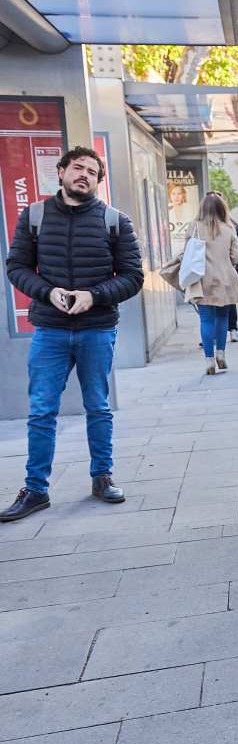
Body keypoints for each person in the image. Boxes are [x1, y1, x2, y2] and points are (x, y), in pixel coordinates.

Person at [1, 146, 144, 522]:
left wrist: (92, 296)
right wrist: (47, 292)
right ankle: (36, 490)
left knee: (97, 406)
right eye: (77, 168)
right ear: (61, 172)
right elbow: (16, 266)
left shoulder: (115, 221)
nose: (84, 175)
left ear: (99, 181)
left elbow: (133, 277)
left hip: (96, 329)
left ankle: (102, 478)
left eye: (92, 172)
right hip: (49, 329)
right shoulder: (34, 216)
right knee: (41, 410)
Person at [184, 194, 238, 375]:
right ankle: (221, 354)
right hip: (225, 279)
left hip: (201, 280)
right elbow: (236, 257)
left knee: (206, 320)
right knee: (222, 318)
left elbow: (187, 252)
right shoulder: (229, 228)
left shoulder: (194, 227)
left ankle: (209, 360)